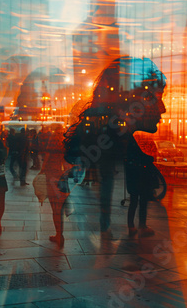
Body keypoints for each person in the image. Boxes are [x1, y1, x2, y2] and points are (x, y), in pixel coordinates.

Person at [64, 56, 167, 239]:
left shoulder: (112, 136)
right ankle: (120, 226)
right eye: (153, 97)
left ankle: (111, 226)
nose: (163, 108)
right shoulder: (115, 139)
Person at [39, 124, 70, 246]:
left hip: (52, 174)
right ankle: (59, 233)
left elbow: (47, 156)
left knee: (54, 207)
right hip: (62, 175)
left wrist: (42, 169)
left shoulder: (52, 139)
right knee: (60, 207)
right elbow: (65, 159)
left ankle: (59, 235)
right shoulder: (64, 141)